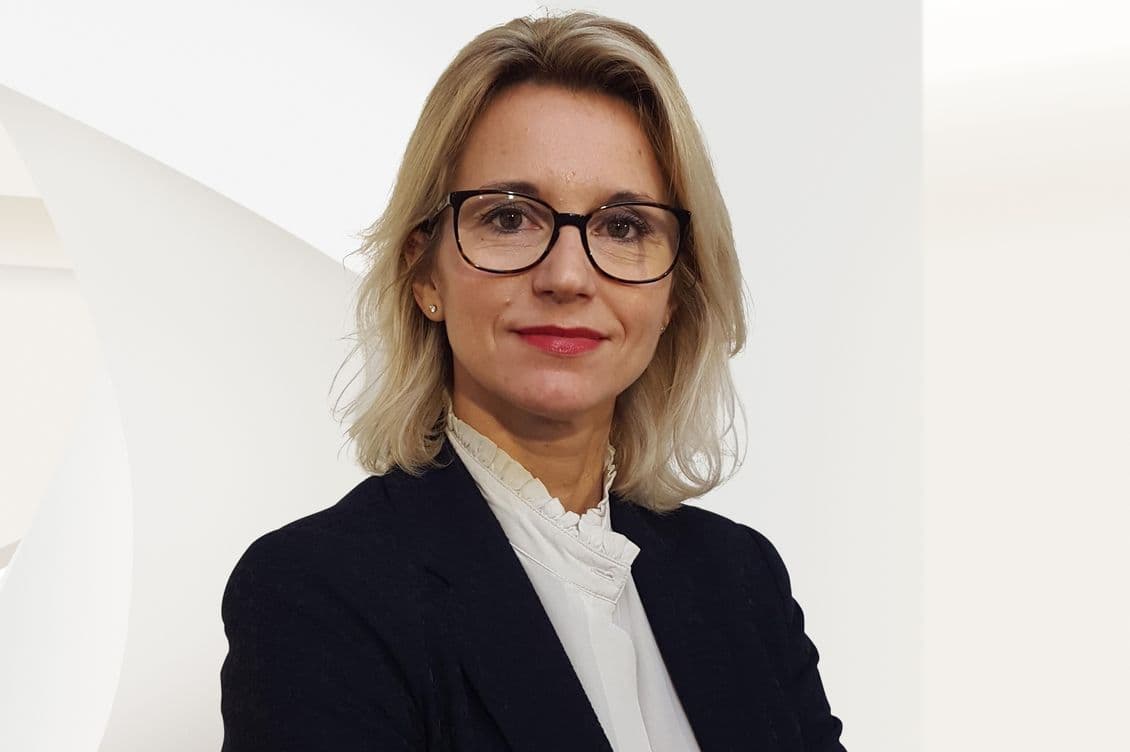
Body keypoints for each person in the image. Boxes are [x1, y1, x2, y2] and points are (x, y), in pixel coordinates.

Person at [219, 10, 846, 752]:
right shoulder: (318, 592)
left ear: (674, 288)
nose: (567, 275)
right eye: (510, 217)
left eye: (623, 226)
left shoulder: (744, 580)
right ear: (426, 272)